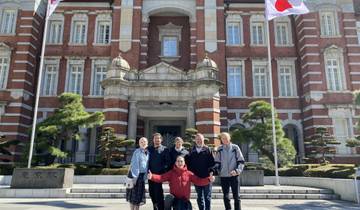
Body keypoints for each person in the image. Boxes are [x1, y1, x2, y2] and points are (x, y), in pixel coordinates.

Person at [148, 156, 215, 210]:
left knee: (182, 206)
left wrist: (208, 179)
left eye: (181, 161)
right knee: (169, 198)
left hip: (184, 200)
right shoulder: (171, 173)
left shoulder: (189, 174)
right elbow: (161, 177)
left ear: (184, 163)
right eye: (178, 161)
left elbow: (199, 181)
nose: (180, 163)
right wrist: (152, 176)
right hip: (174, 199)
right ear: (175, 163)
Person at [213, 132, 245, 210]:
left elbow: (241, 161)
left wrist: (237, 171)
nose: (225, 140)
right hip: (223, 176)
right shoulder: (219, 149)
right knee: (226, 196)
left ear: (229, 138)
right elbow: (217, 162)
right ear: (221, 140)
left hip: (234, 175)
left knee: (236, 196)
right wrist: (215, 171)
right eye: (223, 138)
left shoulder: (235, 147)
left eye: (226, 138)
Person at [186, 133, 215, 210]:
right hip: (196, 177)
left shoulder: (208, 149)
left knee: (207, 196)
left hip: (207, 177)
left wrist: (212, 174)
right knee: (199, 196)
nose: (199, 141)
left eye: (200, 139)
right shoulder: (191, 150)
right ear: (195, 140)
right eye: (197, 139)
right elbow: (188, 163)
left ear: (203, 140)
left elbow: (212, 163)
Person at [148, 133, 171, 210]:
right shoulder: (149, 149)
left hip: (159, 175)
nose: (157, 140)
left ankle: (160, 208)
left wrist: (163, 172)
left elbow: (168, 162)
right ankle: (155, 207)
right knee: (151, 193)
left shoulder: (165, 149)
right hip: (150, 175)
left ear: (161, 140)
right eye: (155, 138)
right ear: (153, 139)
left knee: (158, 193)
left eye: (158, 138)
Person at [126, 137, 150, 210]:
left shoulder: (148, 152)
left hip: (142, 177)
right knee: (133, 196)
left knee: (138, 196)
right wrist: (135, 178)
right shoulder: (137, 151)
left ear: (147, 143)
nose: (143, 143)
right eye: (141, 142)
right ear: (139, 144)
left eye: (144, 141)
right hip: (135, 175)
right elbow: (135, 164)